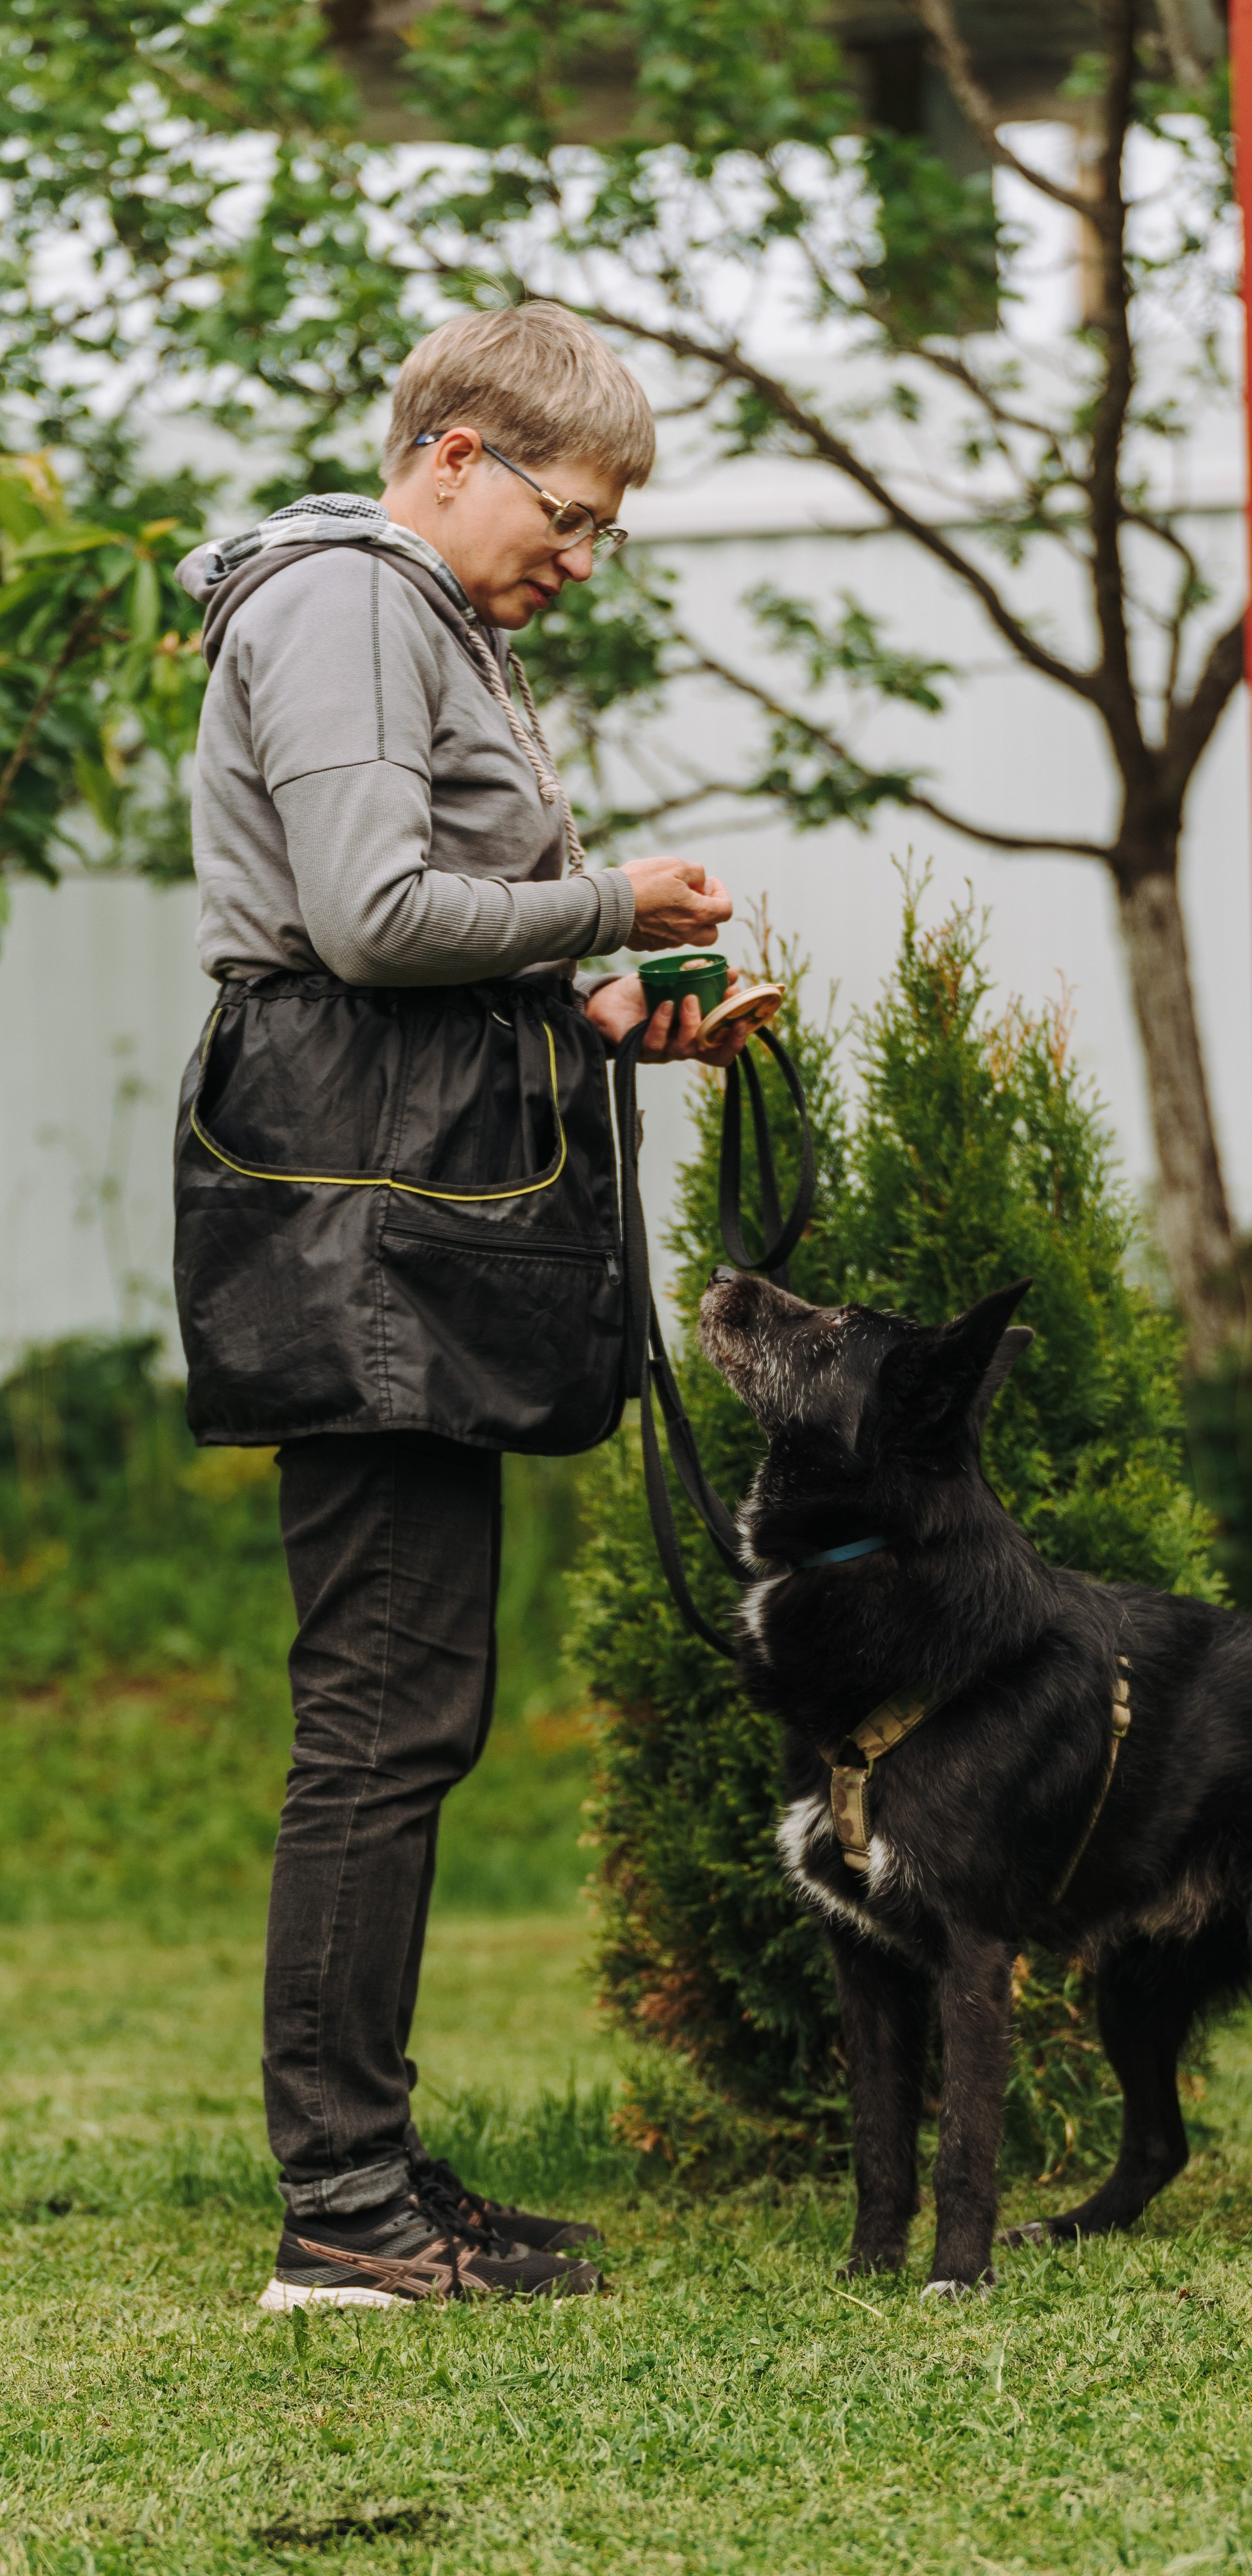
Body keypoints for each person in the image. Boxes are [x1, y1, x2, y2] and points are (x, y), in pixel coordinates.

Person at [174, 302, 747, 2308]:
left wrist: (620, 1013)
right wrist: (616, 903)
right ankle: (343, 2209)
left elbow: (436, 933)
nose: (580, 557)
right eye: (570, 514)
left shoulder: (426, 619)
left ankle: (378, 2166)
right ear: (458, 450)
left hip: (402, 1179)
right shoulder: (346, 603)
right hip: (354, 1196)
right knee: (380, 1712)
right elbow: (369, 917)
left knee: (414, 1700)